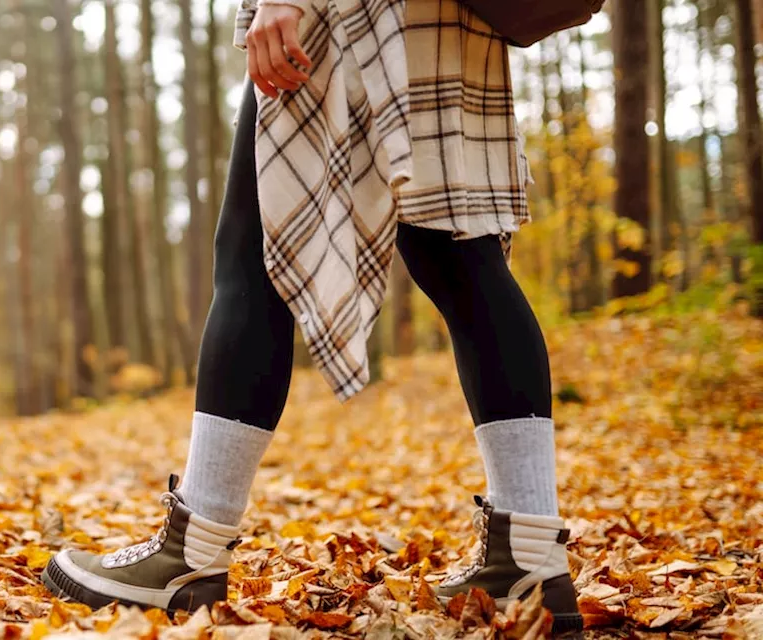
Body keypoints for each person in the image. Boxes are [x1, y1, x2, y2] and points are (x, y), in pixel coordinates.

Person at [41, 0, 583, 634]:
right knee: (462, 259)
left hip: (343, 15)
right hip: (446, 22)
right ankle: (530, 562)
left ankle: (190, 555)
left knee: (254, 251)